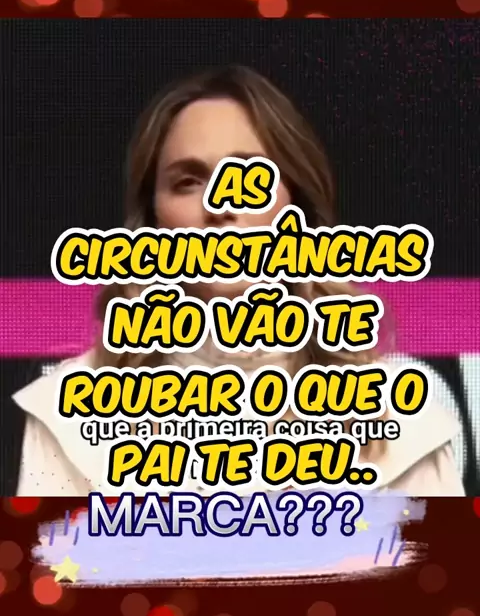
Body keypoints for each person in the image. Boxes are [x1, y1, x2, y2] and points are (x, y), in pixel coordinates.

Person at [11, 65, 464, 496]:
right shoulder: (65, 414)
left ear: (297, 204)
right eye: (188, 181)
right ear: (152, 219)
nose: (221, 204)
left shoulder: (403, 418)